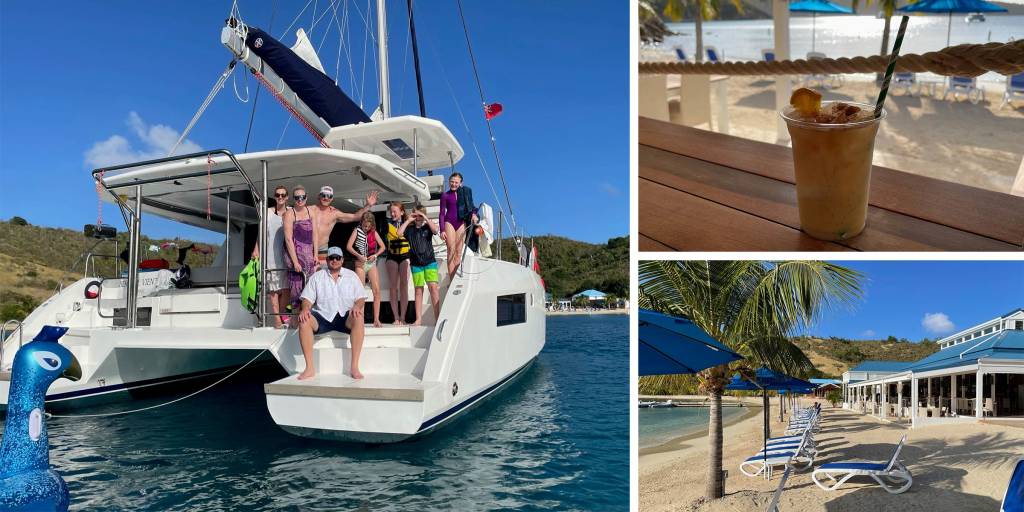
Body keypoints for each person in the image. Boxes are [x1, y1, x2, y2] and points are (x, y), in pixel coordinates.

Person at [296, 247, 366, 380]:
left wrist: (357, 306)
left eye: (337, 258)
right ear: (327, 260)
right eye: (331, 258)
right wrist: (305, 308)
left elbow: (361, 298)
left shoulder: (352, 276)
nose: (334, 260)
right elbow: (307, 299)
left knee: (358, 317)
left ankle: (354, 367)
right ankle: (309, 368)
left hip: (345, 316)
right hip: (323, 317)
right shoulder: (317, 277)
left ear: (342, 260)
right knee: (304, 319)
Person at [251, 185, 292, 328]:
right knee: (273, 290)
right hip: (270, 255)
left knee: (287, 289)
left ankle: (283, 314)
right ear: (275, 196)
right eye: (277, 195)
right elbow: (260, 233)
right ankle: (277, 320)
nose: (280, 197)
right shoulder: (267, 212)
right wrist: (256, 249)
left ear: (287, 197)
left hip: (287, 255)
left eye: (283, 195)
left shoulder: (291, 212)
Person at [398, 205, 441, 326]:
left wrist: (426, 218)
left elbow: (436, 231)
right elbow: (399, 233)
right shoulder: (409, 229)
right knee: (418, 290)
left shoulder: (428, 226)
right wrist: (408, 220)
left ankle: (437, 318)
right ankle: (418, 319)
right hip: (416, 264)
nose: (418, 217)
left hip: (430, 262)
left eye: (420, 215)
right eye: (416, 215)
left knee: (433, 288)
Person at [314, 186, 379, 264]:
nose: (326, 198)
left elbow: (355, 217)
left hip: (322, 250)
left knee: (321, 275)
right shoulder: (310, 210)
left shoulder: (334, 213)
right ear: (318, 196)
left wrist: (368, 205)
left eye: (329, 196)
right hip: (306, 248)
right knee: (304, 275)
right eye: (324, 195)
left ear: (332, 198)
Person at [283, 185, 319, 316]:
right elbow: (288, 239)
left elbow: (315, 234)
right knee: (296, 291)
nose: (300, 200)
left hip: (309, 255)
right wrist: (295, 262)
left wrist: (315, 255)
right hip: (294, 256)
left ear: (306, 198)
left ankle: (307, 320)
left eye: (302, 197)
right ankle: (294, 322)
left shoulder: (311, 212)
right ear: (293, 199)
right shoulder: (289, 214)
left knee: (310, 290)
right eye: (297, 197)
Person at [346, 212, 385, 327]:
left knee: (376, 290)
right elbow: (348, 246)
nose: (366, 228)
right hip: (360, 263)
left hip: (371, 263)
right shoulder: (356, 230)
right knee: (360, 292)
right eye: (364, 225)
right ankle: (360, 319)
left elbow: (382, 247)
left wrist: (376, 255)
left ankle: (376, 319)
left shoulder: (373, 231)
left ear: (372, 225)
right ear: (361, 222)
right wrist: (358, 256)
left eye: (368, 226)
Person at [438, 172, 478, 277]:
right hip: (449, 222)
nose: (454, 184)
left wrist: (474, 214)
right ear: (449, 182)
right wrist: (442, 230)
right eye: (452, 182)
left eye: (456, 182)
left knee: (459, 252)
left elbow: (472, 207)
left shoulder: (465, 193)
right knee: (451, 250)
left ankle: (455, 277)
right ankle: (451, 279)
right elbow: (442, 213)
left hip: (461, 223)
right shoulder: (445, 195)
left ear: (460, 183)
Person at [384, 202, 411, 325]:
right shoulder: (387, 224)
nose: (393, 213)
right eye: (391, 211)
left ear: (402, 212)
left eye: (395, 211)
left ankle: (403, 317)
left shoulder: (409, 224)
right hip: (392, 257)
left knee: (404, 286)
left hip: (405, 256)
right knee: (393, 288)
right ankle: (396, 317)